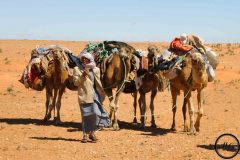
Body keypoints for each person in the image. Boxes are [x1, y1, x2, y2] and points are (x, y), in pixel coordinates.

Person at [73, 52, 110, 143]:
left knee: (95, 114)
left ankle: (92, 133)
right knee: (85, 115)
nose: (84, 60)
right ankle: (85, 134)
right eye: (83, 59)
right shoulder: (77, 69)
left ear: (90, 60)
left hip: (95, 96)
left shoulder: (96, 69)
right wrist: (83, 75)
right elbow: (76, 83)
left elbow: (98, 83)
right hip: (84, 95)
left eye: (86, 59)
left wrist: (102, 92)